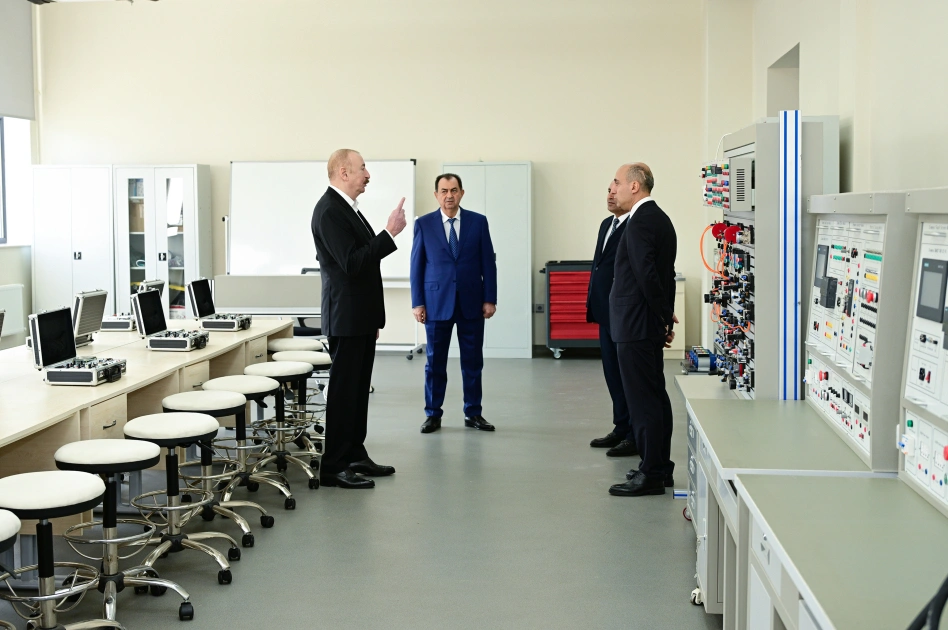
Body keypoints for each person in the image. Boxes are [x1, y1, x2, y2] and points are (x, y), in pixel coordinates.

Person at [310, 148, 407, 489]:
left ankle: (354, 454)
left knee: (357, 390)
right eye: (362, 168)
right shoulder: (329, 211)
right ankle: (334, 466)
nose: (368, 175)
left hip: (360, 317)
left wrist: (372, 318)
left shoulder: (348, 208)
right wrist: (389, 233)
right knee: (343, 392)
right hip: (346, 316)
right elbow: (352, 264)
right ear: (344, 172)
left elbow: (363, 261)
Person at [607, 163, 678, 497]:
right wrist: (664, 317)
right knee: (654, 396)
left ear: (634, 186)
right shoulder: (658, 218)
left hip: (635, 324)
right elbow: (666, 275)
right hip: (643, 322)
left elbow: (647, 276)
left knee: (643, 401)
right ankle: (659, 467)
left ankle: (651, 473)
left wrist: (664, 316)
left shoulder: (640, 221)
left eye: (617, 182)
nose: (614, 188)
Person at [410, 173, 498, 434]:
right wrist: (418, 303)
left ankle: (473, 413)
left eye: (454, 190)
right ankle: (432, 414)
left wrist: (490, 298)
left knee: (473, 362)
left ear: (461, 193)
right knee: (435, 363)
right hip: (436, 303)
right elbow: (416, 266)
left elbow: (488, 263)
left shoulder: (478, 222)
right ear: (436, 195)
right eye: (444, 191)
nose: (449, 195)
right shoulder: (424, 224)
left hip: (472, 302)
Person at [586, 186, 637, 457]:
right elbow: (599, 265)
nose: (610, 195)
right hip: (604, 312)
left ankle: (634, 436)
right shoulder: (607, 224)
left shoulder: (635, 225)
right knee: (612, 374)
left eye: (615, 191)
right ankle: (621, 427)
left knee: (628, 377)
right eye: (608, 190)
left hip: (624, 315)